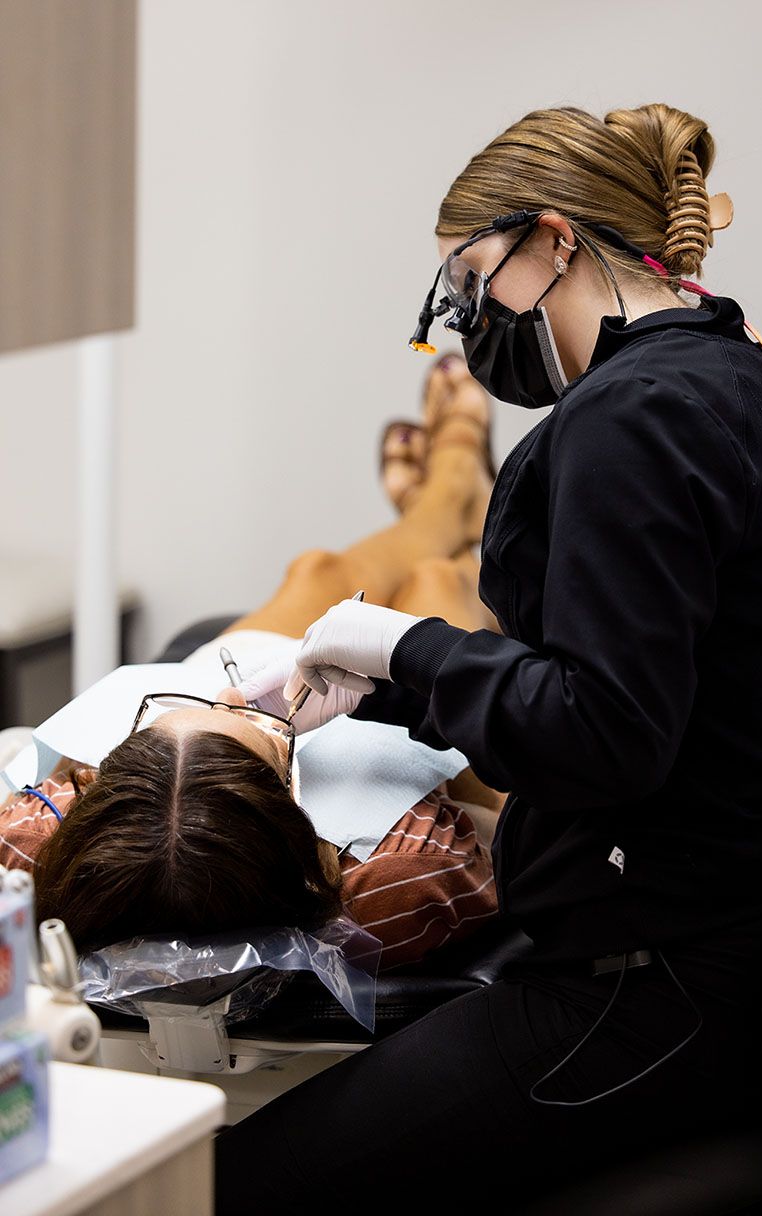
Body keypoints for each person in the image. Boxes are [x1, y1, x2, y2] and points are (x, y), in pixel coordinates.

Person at [213, 102, 762, 1213]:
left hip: (650, 982)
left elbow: (605, 733)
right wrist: (395, 687)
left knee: (225, 1184)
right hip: (755, 930)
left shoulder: (632, 416)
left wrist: (409, 642)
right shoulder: (752, 372)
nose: (465, 317)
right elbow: (661, 679)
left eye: (472, 279)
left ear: (554, 239)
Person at [1, 359, 507, 969]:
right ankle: (460, 492)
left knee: (316, 571)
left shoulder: (28, 856)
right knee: (440, 580)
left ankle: (441, 506)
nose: (235, 696)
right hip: (403, 744)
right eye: (271, 737)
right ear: (294, 821)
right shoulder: (402, 876)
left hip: (206, 728)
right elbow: (508, 826)